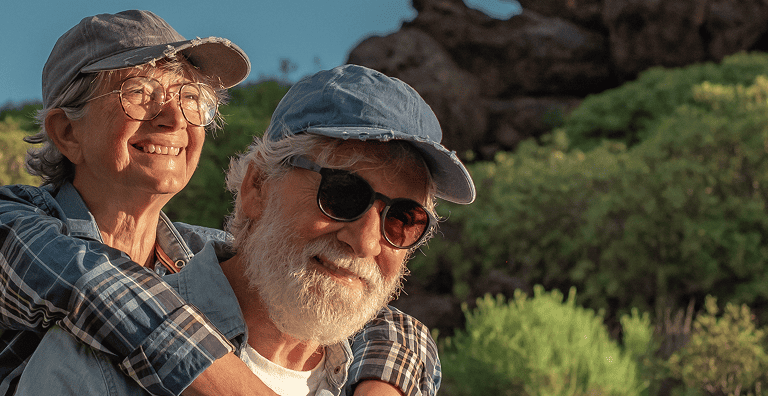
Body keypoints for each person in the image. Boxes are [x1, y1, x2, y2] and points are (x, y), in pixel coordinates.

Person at [0, 11, 448, 396]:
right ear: (67, 132)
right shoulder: (14, 226)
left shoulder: (193, 253)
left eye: (191, 98)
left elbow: (369, 308)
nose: (174, 117)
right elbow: (93, 287)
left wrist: (384, 381)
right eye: (138, 92)